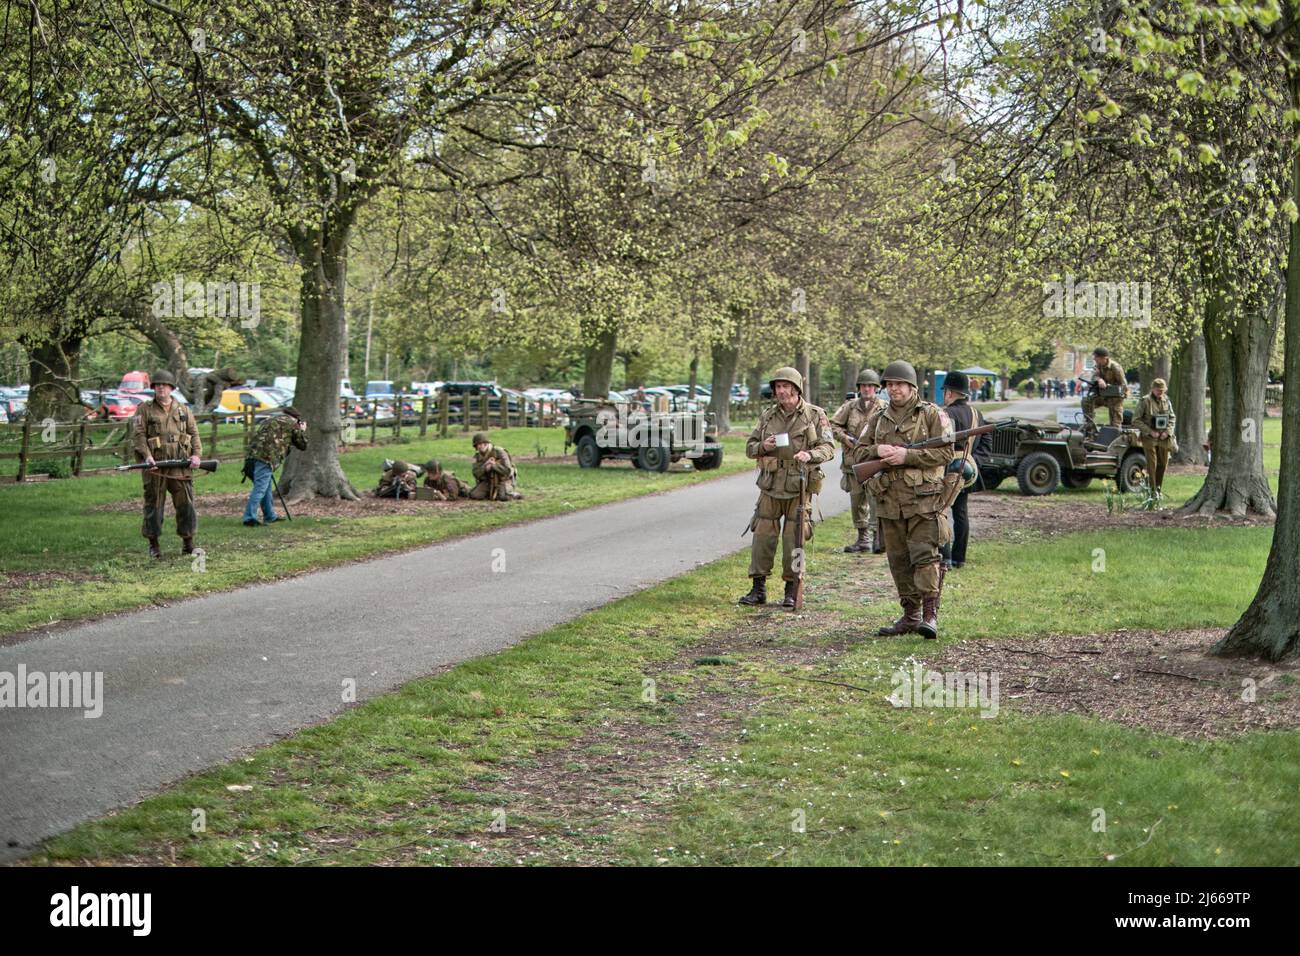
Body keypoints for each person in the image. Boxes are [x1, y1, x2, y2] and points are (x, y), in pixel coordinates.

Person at [851, 360, 954, 639]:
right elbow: (857, 454)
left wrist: (907, 456)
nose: (894, 389)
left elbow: (946, 453)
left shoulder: (933, 414)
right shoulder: (877, 418)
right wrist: (877, 449)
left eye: (900, 384)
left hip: (924, 501)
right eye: (890, 384)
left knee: (925, 557)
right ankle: (910, 616)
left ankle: (930, 616)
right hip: (889, 502)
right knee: (898, 561)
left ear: (912, 386)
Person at [739, 366, 835, 608]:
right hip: (771, 484)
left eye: (785, 387)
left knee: (795, 538)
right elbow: (750, 448)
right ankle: (758, 587)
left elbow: (829, 448)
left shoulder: (815, 415)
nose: (781, 391)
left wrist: (811, 455)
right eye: (778, 387)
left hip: (800, 485)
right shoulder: (768, 416)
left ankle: (793, 588)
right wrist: (764, 446)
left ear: (795, 388)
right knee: (762, 536)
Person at [129, 370, 203, 558]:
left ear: (171, 388)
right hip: (155, 467)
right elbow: (138, 436)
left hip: (180, 465)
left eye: (164, 384)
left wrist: (196, 455)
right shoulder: (144, 409)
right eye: (157, 385)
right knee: (154, 505)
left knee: (186, 504)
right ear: (153, 388)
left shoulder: (183, 410)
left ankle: (188, 542)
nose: (161, 387)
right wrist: (147, 457)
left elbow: (194, 434)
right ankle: (154, 544)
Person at [829, 368, 888, 553]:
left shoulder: (885, 407)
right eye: (863, 385)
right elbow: (833, 425)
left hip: (874, 461)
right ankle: (862, 538)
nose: (866, 389)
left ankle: (878, 537)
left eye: (870, 386)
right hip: (852, 462)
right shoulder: (850, 406)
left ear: (876, 388)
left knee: (875, 500)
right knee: (857, 501)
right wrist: (844, 438)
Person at [938, 372, 991, 570]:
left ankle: (946, 557)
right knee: (960, 513)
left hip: (947, 468)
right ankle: (959, 558)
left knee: (940, 512)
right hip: (968, 468)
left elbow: (941, 444)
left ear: (950, 393)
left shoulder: (945, 414)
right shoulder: (977, 414)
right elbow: (986, 443)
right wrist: (974, 461)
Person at [242, 406, 307, 526]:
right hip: (266, 458)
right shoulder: (292, 423)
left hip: (251, 457)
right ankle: (249, 518)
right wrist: (302, 430)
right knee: (260, 488)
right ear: (296, 418)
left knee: (265, 488)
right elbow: (302, 444)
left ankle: (269, 515)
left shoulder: (270, 420)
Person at [1133, 377, 1177, 495]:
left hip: (1163, 437)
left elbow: (1172, 418)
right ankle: (1151, 493)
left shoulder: (1166, 400)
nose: (1160, 393)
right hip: (1150, 438)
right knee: (1152, 466)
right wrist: (1150, 431)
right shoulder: (1145, 401)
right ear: (1152, 389)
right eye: (1158, 390)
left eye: (1162, 391)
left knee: (1162, 464)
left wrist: (1168, 432)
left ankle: (1158, 490)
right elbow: (1136, 420)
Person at [1081, 347, 1126, 429]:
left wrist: (1109, 386)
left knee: (1115, 426)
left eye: (1096, 357)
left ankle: (1114, 437)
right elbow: (1094, 376)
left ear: (1104, 358)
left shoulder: (1115, 367)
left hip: (1115, 398)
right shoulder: (1098, 366)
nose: (1094, 359)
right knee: (1086, 401)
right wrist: (1099, 379)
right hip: (1103, 396)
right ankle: (1089, 425)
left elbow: (1123, 386)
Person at [469, 432, 523, 500]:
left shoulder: (500, 452)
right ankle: (491, 493)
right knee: (474, 495)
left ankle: (514, 495)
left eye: (483, 443)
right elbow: (475, 473)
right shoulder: (477, 457)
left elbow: (507, 471)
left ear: (487, 443)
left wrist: (494, 465)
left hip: (503, 480)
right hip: (487, 481)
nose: (481, 446)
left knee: (502, 497)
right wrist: (485, 467)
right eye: (478, 445)